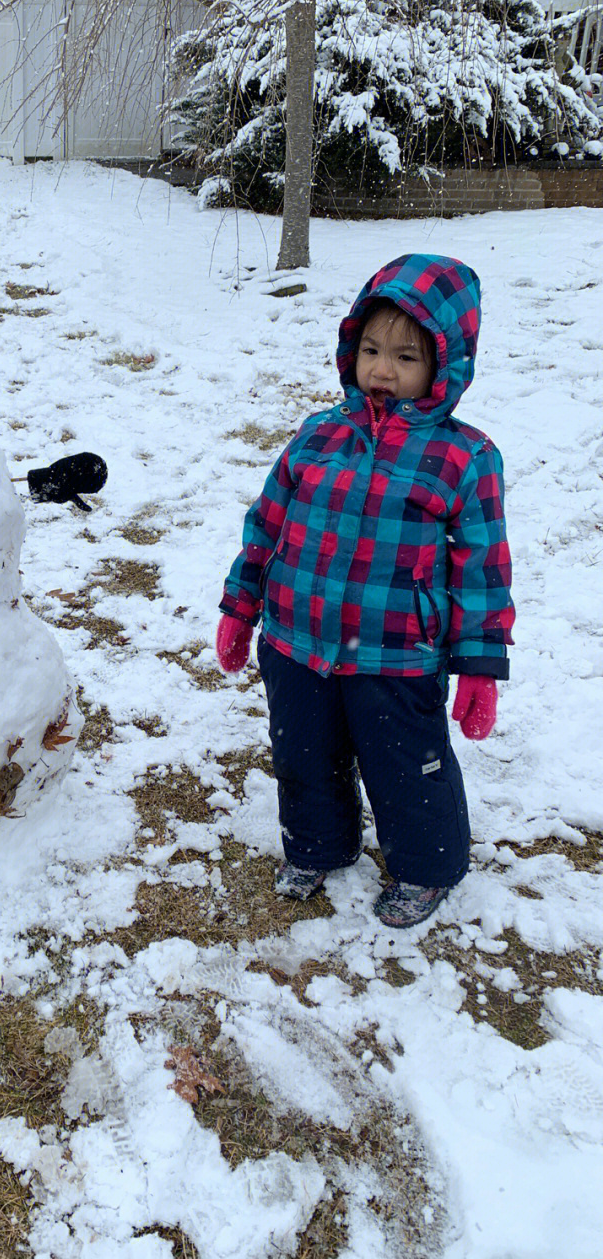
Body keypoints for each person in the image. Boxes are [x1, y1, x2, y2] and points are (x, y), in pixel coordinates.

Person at [216, 255, 514, 928]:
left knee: (408, 766)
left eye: (405, 356)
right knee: (303, 752)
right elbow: (267, 522)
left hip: (395, 652)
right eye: (372, 349)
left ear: (446, 366)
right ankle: (318, 846)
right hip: (297, 639)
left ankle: (427, 865)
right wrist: (241, 605)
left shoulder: (465, 457)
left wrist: (479, 668)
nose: (382, 369)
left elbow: (483, 568)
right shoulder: (320, 434)